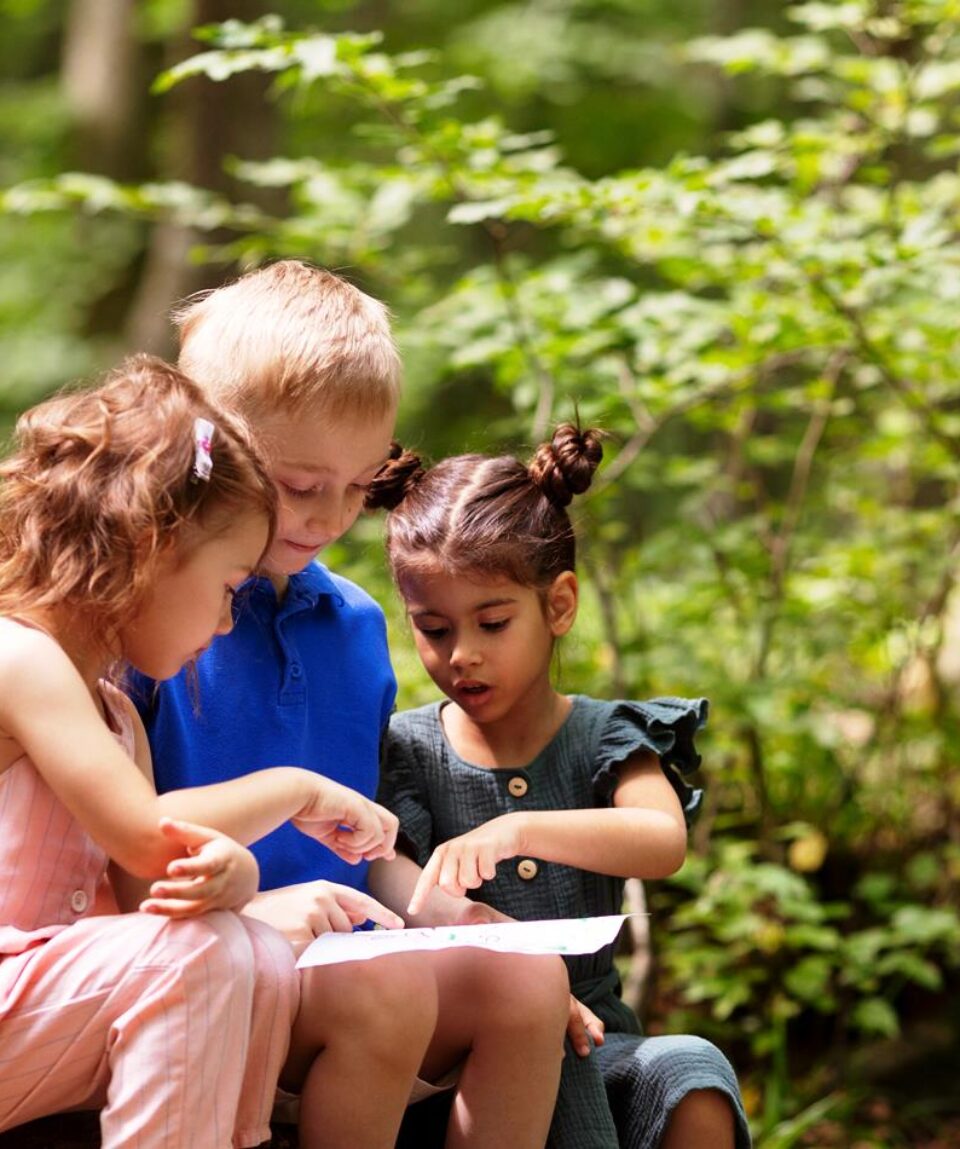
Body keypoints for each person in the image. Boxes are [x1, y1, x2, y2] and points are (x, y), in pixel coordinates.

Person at [133, 260, 571, 1149]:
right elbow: (111, 862)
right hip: (215, 958)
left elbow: (356, 849)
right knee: (388, 988)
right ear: (206, 443)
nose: (331, 517)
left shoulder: (356, 625)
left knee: (530, 979)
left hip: (349, 953)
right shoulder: (150, 619)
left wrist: (443, 909)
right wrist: (248, 917)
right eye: (301, 485)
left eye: (361, 485)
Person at [0, 354, 400, 1148]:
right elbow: (147, 830)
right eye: (227, 588)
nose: (226, 623)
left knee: (244, 945)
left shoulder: (115, 711)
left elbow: (149, 883)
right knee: (201, 958)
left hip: (36, 1009)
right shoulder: (20, 656)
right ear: (150, 547)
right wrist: (294, 787)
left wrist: (237, 875)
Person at [368, 423, 753, 1149]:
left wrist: (518, 828)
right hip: (466, 1062)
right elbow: (393, 879)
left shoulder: (606, 735)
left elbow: (661, 839)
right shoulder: (407, 750)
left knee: (693, 1072)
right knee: (539, 1018)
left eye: (492, 621)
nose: (463, 655)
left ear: (559, 605)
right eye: (434, 629)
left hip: (603, 1040)